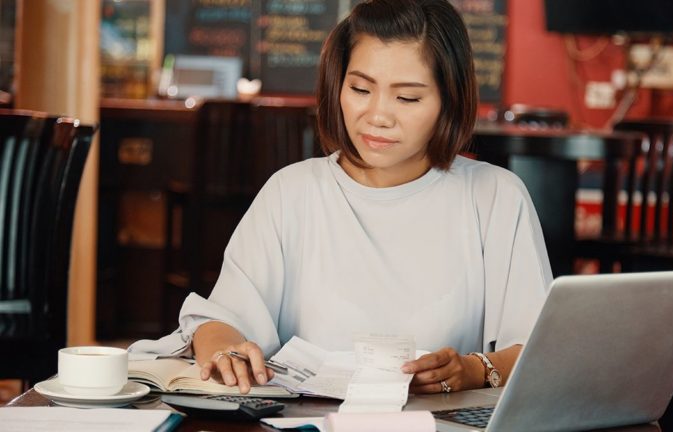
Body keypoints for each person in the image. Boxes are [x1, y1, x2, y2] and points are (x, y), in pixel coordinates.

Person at [130, 0, 552, 396]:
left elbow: (543, 350)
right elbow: (222, 321)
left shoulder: (495, 197)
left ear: (449, 100)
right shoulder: (292, 192)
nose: (378, 116)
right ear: (338, 86)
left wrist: (476, 369)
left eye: (407, 97)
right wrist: (224, 349)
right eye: (361, 89)